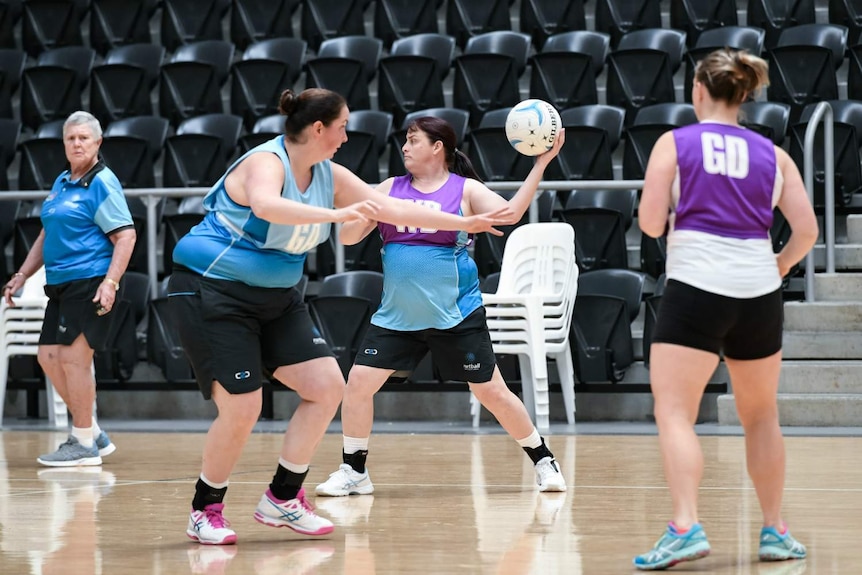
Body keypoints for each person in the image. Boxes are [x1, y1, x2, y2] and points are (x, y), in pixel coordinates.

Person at [169, 88, 513, 546]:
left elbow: (392, 207)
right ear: (318, 129)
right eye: (342, 127)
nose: (347, 137)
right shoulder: (266, 162)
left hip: (275, 298)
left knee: (328, 386)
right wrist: (337, 213)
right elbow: (266, 206)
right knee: (244, 404)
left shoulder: (329, 174)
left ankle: (282, 498)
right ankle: (204, 509)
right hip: (211, 291)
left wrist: (463, 224)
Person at [314, 116, 568, 499]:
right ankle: (354, 470)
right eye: (405, 140)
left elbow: (511, 214)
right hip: (398, 317)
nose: (404, 147)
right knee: (358, 385)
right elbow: (349, 238)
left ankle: (543, 459)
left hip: (456, 314)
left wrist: (540, 165)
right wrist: (367, 210)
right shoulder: (389, 189)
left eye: (413, 140)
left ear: (437, 147)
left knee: (492, 392)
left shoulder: (464, 191)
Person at [633, 49, 818, 570]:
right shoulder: (773, 153)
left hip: (697, 285)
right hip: (759, 291)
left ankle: (686, 525)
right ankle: (776, 532)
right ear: (743, 93)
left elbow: (649, 224)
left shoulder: (675, 143)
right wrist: (779, 266)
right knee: (761, 416)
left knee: (674, 412)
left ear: (698, 90)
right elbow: (807, 232)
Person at [3, 111, 136, 467]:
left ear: (97, 143)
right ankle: (92, 432)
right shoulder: (63, 181)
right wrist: (22, 274)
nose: (77, 144)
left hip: (90, 281)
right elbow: (47, 235)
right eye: (71, 138)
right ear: (64, 143)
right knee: (48, 357)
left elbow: (125, 235)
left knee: (75, 360)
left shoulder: (102, 182)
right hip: (60, 285)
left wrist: (110, 282)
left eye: (84, 138)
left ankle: (82, 443)